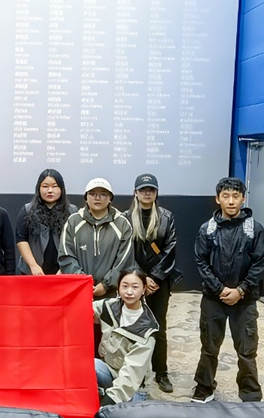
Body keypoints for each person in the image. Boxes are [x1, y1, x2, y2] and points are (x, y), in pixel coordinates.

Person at [191, 177, 264, 404]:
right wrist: (219, 289)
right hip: (213, 299)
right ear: (218, 199)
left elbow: (259, 264)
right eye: (226, 196)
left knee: (246, 350)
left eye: (236, 196)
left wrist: (241, 290)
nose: (231, 201)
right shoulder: (207, 229)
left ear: (243, 199)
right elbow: (201, 262)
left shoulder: (255, 229)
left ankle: (250, 394)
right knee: (209, 346)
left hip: (245, 300)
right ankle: (204, 387)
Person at [124, 174, 180, 393]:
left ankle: (161, 372)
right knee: (133, 327)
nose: (147, 193)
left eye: (151, 189)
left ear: (156, 192)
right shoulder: (125, 217)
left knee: (159, 328)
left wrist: (154, 278)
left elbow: (170, 249)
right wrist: (140, 279)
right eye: (143, 189)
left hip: (159, 282)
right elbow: (125, 251)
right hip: (133, 282)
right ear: (135, 192)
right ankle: (133, 372)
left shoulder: (167, 217)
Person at [58, 177, 133, 299]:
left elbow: (125, 260)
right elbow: (66, 255)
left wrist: (106, 284)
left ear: (110, 198)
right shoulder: (73, 221)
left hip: (111, 294)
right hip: (78, 291)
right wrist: (83, 281)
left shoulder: (122, 224)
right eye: (92, 194)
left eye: (103, 194)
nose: (97, 198)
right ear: (86, 197)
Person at [94, 268, 159, 406]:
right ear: (118, 287)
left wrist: (107, 403)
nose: (129, 292)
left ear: (144, 289)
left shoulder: (147, 331)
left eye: (135, 287)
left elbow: (131, 375)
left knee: (117, 412)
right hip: (111, 370)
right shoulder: (109, 307)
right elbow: (82, 308)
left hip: (133, 385)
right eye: (125, 286)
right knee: (89, 365)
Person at [15, 169, 78, 275]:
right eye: (45, 186)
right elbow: (21, 239)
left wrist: (65, 267)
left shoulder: (72, 211)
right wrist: (33, 265)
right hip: (32, 271)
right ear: (38, 188)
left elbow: (76, 243)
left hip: (63, 272)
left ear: (62, 189)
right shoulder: (27, 210)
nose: (50, 190)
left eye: (54, 186)